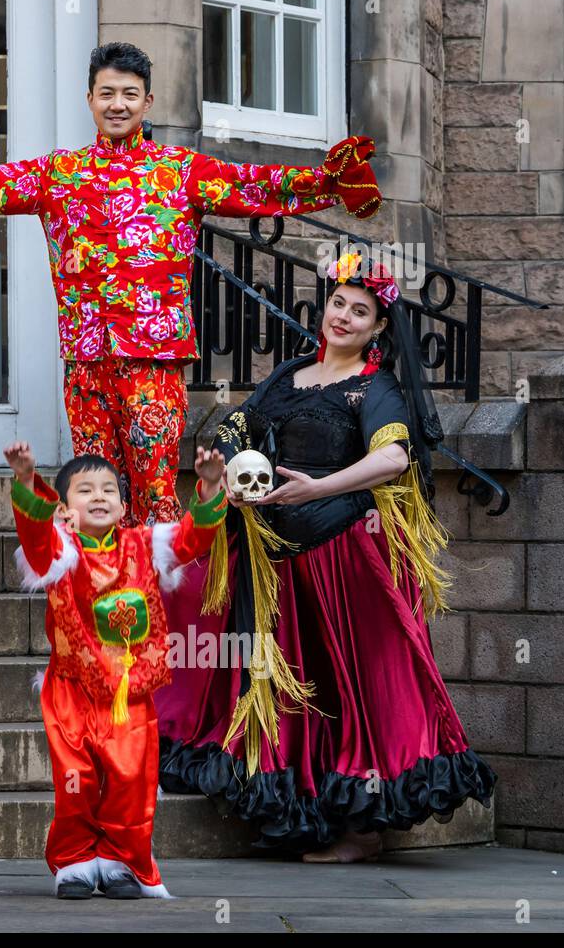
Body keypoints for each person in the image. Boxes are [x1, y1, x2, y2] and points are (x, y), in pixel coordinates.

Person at [0, 41, 384, 527]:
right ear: (89, 100)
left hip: (154, 363)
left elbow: (259, 184)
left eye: (130, 94)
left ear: (147, 102)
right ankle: (100, 600)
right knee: (92, 498)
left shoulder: (181, 172)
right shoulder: (57, 174)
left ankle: (156, 602)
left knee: (155, 499)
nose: (117, 105)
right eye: (107, 93)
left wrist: (330, 182)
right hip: (86, 362)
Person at [156, 252, 497, 862]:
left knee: (350, 686)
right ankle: (302, 812)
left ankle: (362, 832)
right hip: (272, 556)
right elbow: (238, 427)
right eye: (339, 303)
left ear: (377, 329)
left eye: (359, 311)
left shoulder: (375, 387)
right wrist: (228, 473)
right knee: (287, 687)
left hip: (340, 553)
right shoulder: (289, 373)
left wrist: (320, 487)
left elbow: (393, 459)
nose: (343, 316)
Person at [4, 438, 228, 898]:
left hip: (130, 691)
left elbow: (190, 539)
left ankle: (119, 859)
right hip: (72, 690)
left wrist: (207, 489)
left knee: (131, 780)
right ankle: (75, 862)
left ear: (124, 505)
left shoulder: (144, 546)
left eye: (109, 489)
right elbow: (34, 535)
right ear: (64, 508)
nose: (100, 497)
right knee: (76, 781)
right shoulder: (59, 552)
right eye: (85, 491)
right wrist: (26, 481)